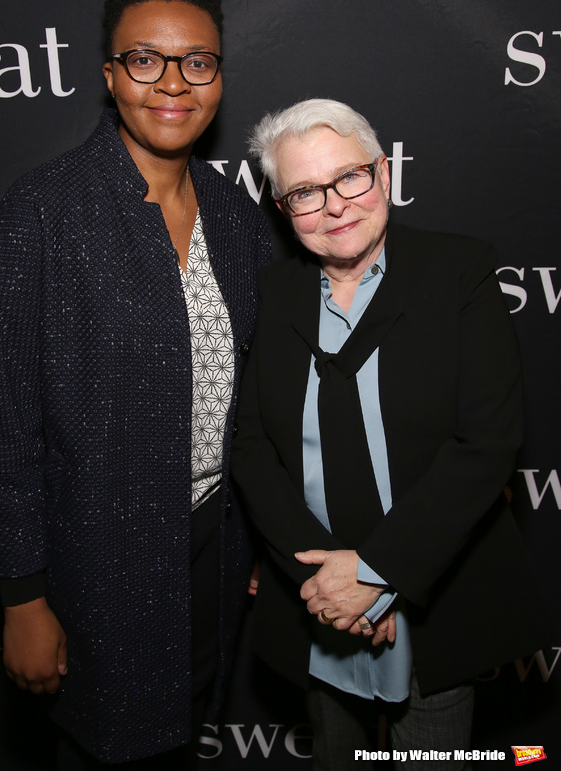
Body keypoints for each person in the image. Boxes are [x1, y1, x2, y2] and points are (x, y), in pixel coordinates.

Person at [0, 0, 270, 769]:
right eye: (145, 58)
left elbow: (261, 397)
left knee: (178, 741)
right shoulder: (42, 211)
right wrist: (23, 596)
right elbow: (4, 426)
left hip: (212, 549)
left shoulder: (238, 217)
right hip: (91, 562)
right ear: (110, 74)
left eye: (197, 61)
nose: (172, 82)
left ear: (218, 76)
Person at [231, 98, 548, 770]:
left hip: (435, 596)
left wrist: (378, 576)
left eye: (350, 177)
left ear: (383, 173)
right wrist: (329, 585)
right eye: (305, 193)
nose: (336, 205)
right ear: (283, 209)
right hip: (315, 600)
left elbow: (487, 443)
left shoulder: (459, 272)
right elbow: (255, 449)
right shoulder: (274, 291)